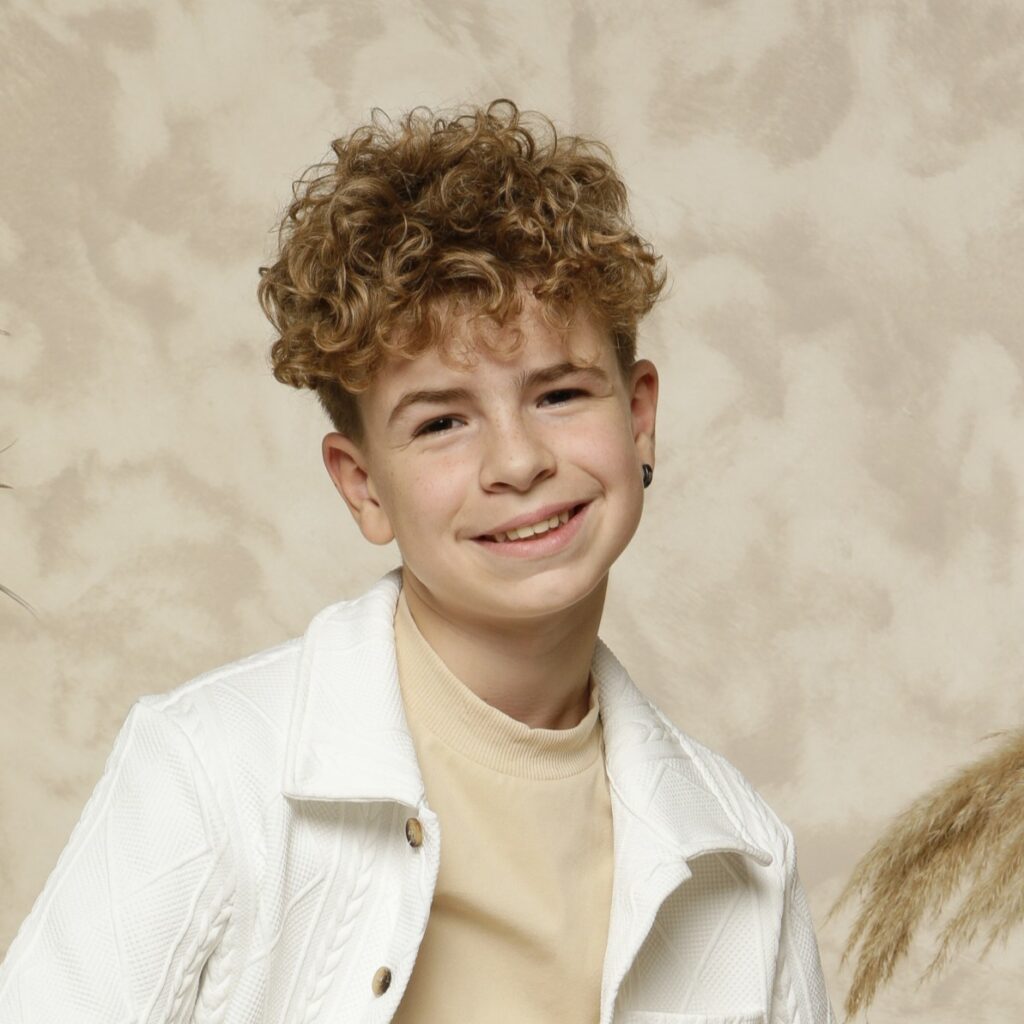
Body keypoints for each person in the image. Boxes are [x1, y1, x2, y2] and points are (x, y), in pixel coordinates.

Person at [0, 99, 835, 1023]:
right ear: (363, 486)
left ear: (639, 417)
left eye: (559, 394)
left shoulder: (744, 858)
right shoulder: (206, 770)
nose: (518, 461)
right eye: (441, 422)